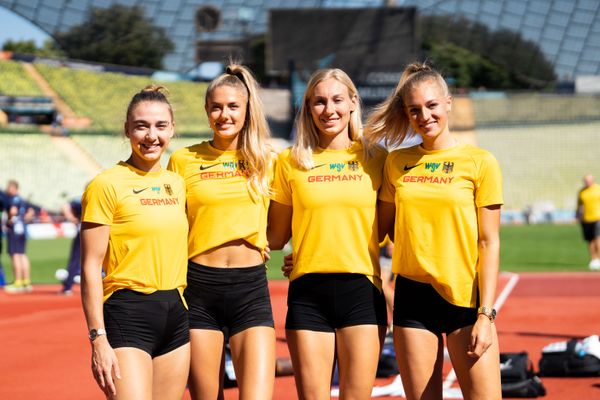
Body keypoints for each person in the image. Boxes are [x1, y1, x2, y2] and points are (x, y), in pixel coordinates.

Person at [368, 62, 503, 399]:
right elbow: (376, 229)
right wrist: (313, 253)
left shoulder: (480, 162)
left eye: (431, 106)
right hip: (413, 299)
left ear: (448, 102)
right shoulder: (396, 162)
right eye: (415, 109)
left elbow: (489, 242)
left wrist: (486, 314)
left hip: (466, 300)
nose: (424, 116)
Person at [267, 68, 388, 399]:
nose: (328, 110)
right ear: (308, 107)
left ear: (353, 102)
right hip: (308, 294)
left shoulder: (376, 158)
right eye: (318, 102)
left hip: (362, 292)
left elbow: (391, 227)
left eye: (337, 100)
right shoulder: (289, 162)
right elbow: (275, 238)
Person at [168, 63, 276, 400]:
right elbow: (168, 224)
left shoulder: (268, 160)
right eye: (216, 107)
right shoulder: (183, 160)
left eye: (233, 106)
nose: (224, 114)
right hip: (199, 289)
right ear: (206, 110)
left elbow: (292, 220)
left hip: (251, 289)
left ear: (246, 109)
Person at [80, 86, 190, 399]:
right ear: (127, 129)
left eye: (160, 126)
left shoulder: (177, 183)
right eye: (141, 126)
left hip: (177, 315)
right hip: (128, 314)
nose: (151, 136)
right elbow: (89, 267)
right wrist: (98, 338)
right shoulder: (106, 184)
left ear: (172, 129)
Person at [4, 179, 35, 293]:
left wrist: (11, 218)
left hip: (14, 229)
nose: (7, 189)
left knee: (15, 255)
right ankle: (26, 281)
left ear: (14, 188)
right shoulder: (22, 199)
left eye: (9, 187)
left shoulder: (12, 200)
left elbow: (12, 211)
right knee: (22, 254)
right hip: (22, 229)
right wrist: (23, 218)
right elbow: (31, 212)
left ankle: (18, 282)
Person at [576, 174, 600, 270]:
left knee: (598, 238)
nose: (587, 182)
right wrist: (578, 215)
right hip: (586, 219)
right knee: (590, 240)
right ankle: (593, 259)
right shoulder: (582, 191)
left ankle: (599, 258)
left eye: (588, 180)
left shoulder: (598, 189)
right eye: (585, 181)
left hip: (598, 217)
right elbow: (579, 205)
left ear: (592, 180)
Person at [60, 196, 82, 295]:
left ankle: (68, 286)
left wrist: (71, 218)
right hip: (99, 232)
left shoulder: (81, 199)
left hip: (84, 231)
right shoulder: (101, 198)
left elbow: (65, 207)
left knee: (75, 259)